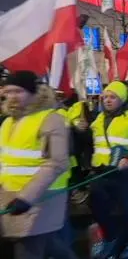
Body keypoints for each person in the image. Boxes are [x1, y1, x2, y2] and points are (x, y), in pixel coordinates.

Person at [0, 71, 76, 259]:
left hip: (41, 197)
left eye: (18, 91)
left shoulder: (51, 119)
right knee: (46, 244)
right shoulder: (8, 122)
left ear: (34, 92)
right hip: (11, 194)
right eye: (8, 92)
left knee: (28, 248)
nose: (12, 97)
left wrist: (27, 197)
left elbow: (57, 162)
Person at [88, 81, 128, 259]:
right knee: (97, 204)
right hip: (102, 171)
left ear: (121, 99)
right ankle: (111, 237)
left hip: (125, 171)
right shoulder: (98, 118)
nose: (107, 100)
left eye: (112, 97)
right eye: (105, 97)